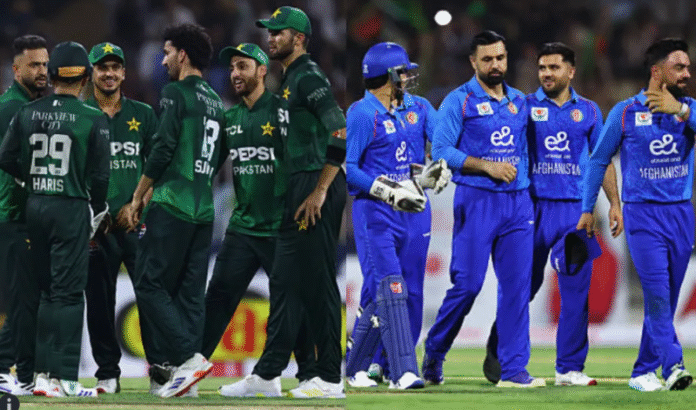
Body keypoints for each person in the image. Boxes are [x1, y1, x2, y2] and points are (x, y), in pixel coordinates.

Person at [219, 6, 347, 398]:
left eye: (279, 32)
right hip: (300, 184)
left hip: (314, 184)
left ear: (300, 39)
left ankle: (330, 377)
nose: (271, 38)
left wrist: (320, 189)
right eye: (270, 32)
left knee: (319, 282)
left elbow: (339, 128)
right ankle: (268, 373)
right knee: (287, 281)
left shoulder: (308, 76)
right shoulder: (290, 79)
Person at [481, 42, 622, 386]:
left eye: (554, 67)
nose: (546, 73)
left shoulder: (588, 111)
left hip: (575, 212)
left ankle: (569, 369)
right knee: (522, 286)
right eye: (542, 67)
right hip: (531, 209)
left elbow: (601, 159)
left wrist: (614, 203)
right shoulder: (524, 106)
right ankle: (501, 346)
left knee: (576, 290)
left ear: (571, 71)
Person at [423, 30, 545, 388]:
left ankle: (514, 369)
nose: (496, 65)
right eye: (488, 59)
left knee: (517, 288)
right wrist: (486, 166)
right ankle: (435, 350)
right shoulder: (458, 101)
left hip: (517, 204)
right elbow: (441, 151)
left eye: (500, 58)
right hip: (476, 201)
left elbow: (529, 151)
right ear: (473, 62)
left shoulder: (520, 101)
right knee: (468, 285)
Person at [578, 37, 696, 392]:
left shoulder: (689, 109)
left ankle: (642, 372)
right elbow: (599, 159)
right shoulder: (625, 112)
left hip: (681, 215)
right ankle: (673, 366)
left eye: (688, 67)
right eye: (679, 67)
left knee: (667, 300)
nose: (687, 74)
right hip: (643, 216)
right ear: (657, 71)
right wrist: (595, 206)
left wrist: (681, 111)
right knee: (657, 293)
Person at [0, 41, 110, 398]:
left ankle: (43, 376)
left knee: (46, 293)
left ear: (52, 75)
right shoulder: (93, 117)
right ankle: (64, 378)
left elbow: (5, 157)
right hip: (70, 206)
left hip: (35, 207)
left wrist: (31, 178)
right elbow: (101, 177)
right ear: (86, 77)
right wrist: (97, 209)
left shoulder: (27, 112)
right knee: (70, 295)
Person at [203, 42, 315, 390]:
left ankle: (310, 375)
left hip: (282, 227)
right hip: (243, 226)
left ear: (263, 70)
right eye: (232, 68)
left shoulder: (284, 113)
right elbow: (208, 168)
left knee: (288, 303)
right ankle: (191, 368)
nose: (235, 74)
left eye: (243, 66)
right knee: (218, 296)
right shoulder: (229, 119)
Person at [123, 24, 226, 398]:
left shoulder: (175, 93)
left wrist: (139, 194)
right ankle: (186, 382)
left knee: (149, 283)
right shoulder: (216, 101)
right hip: (204, 209)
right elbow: (221, 152)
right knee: (189, 294)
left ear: (182, 55)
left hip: (172, 204)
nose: (163, 60)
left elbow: (164, 146)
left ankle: (187, 359)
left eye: (167, 52)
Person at [344, 42, 450, 390]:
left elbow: (442, 141)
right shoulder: (362, 113)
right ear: (387, 75)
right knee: (389, 287)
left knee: (411, 292)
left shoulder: (419, 107)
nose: (408, 77)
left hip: (415, 210)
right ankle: (401, 370)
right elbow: (350, 170)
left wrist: (440, 166)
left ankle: (372, 366)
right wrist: (387, 191)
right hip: (376, 211)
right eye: (402, 72)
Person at [83, 41, 157, 395]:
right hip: (95, 227)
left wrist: (137, 205)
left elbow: (157, 168)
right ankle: (107, 373)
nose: (109, 74)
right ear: (91, 73)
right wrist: (92, 213)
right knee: (99, 302)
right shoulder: (79, 114)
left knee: (151, 297)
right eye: (102, 67)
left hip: (136, 224)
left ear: (124, 73)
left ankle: (160, 368)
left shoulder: (144, 114)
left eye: (115, 67)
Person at [0, 34, 48, 397]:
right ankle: (3, 368)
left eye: (45, 64)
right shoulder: (11, 109)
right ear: (17, 70)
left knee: (27, 298)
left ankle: (25, 371)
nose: (42, 71)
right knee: (20, 299)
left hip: (23, 216)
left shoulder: (27, 106)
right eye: (34, 65)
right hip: (12, 215)